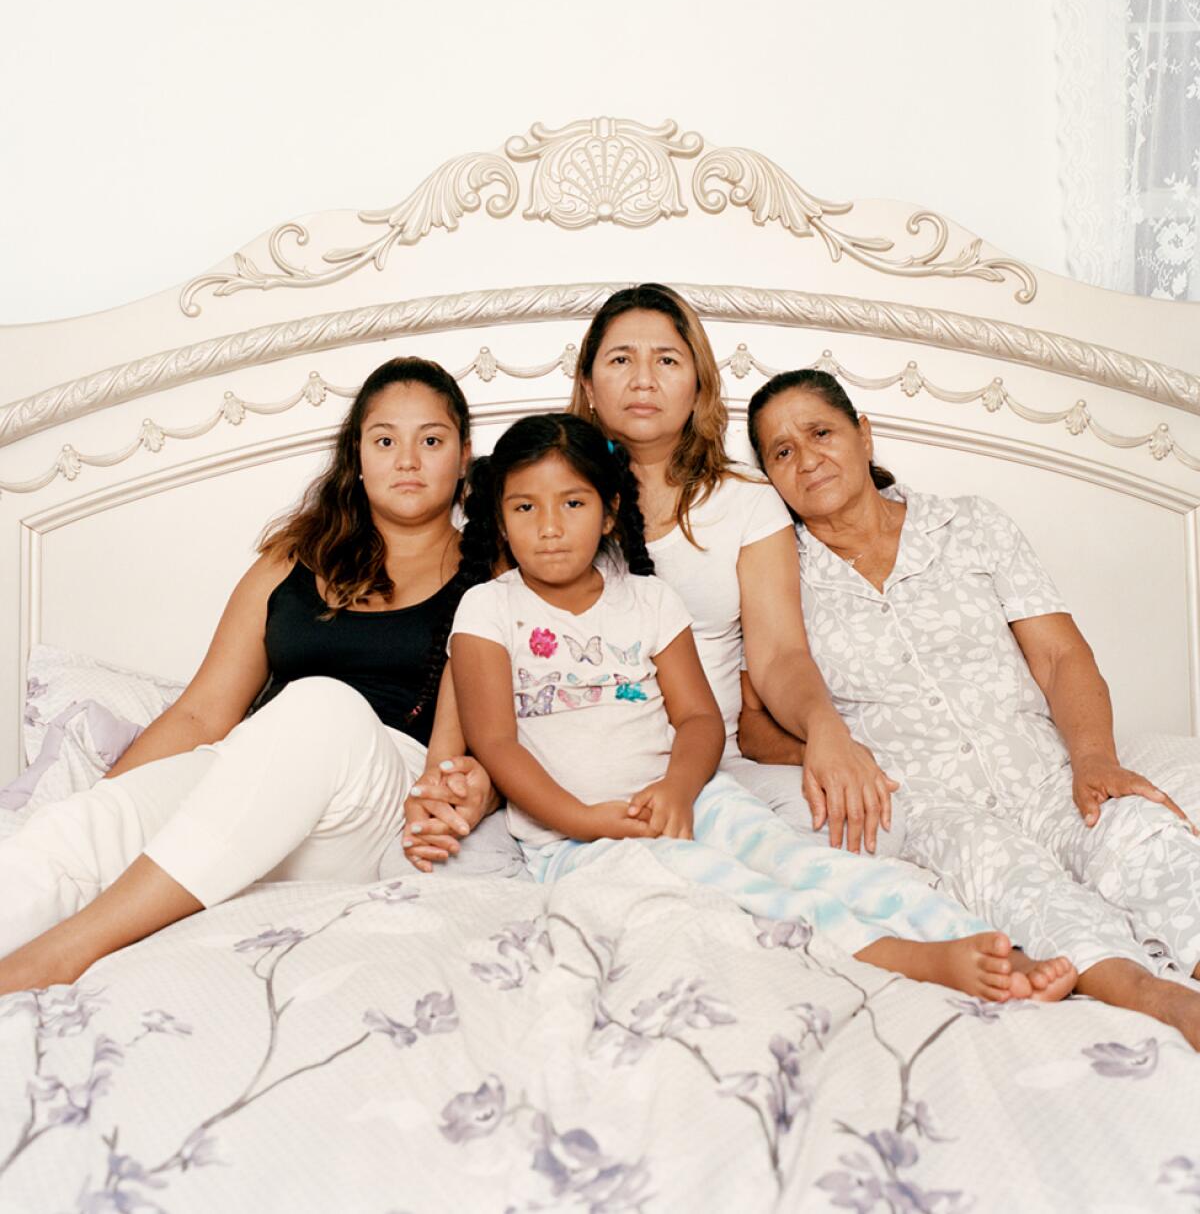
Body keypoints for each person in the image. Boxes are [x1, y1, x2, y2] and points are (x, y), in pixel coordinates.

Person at [447, 410, 1076, 1001]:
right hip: (577, 840)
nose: (550, 526)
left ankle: (984, 941)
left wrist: (677, 789)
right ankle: (907, 959)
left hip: (691, 799)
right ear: (501, 521)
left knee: (808, 863)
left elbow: (697, 719)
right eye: (525, 507)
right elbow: (497, 744)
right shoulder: (488, 608)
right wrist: (586, 820)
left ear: (610, 513)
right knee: (741, 893)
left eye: (573, 503)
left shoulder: (649, 600)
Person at [0, 357, 497, 993]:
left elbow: (517, 726)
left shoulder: (495, 570)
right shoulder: (291, 560)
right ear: (357, 455)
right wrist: (107, 799)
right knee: (75, 833)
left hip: (378, 799)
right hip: (252, 772)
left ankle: (70, 951)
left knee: (318, 706)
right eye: (385, 440)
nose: (407, 459)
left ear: (463, 457)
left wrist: (481, 787)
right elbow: (201, 714)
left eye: (430, 440)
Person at [743, 366, 1200, 1048]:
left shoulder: (969, 524)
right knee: (1014, 883)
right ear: (771, 479)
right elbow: (753, 721)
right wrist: (834, 750)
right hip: (934, 804)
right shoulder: (780, 572)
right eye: (781, 452)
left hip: (1043, 771)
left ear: (864, 436)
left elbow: (1060, 657)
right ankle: (1156, 999)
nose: (807, 459)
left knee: (1136, 833)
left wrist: (1095, 758)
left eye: (820, 432)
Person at [569, 284, 900, 856]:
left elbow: (779, 657)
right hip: (576, 765)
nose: (643, 380)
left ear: (698, 386)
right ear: (589, 387)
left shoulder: (746, 502)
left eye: (667, 361)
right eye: (621, 360)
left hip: (714, 771)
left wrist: (826, 728)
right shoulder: (544, 495)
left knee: (866, 831)